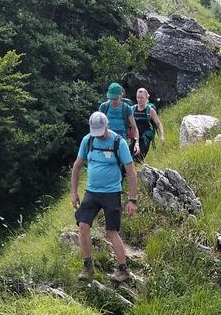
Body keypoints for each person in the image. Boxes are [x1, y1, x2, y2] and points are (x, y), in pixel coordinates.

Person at [71, 110, 137, 284]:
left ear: (107, 126)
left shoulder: (118, 142)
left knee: (111, 231)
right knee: (83, 226)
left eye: (101, 132)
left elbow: (131, 172)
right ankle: (87, 266)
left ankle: (123, 270)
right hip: (91, 192)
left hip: (111, 193)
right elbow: (77, 166)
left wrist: (132, 199)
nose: (99, 136)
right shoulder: (88, 140)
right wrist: (73, 192)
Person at [100, 82, 139, 154]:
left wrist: (136, 144)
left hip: (121, 142)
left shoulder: (127, 109)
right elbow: (98, 125)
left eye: (115, 98)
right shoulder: (104, 107)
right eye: (111, 98)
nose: (113, 101)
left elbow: (134, 128)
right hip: (105, 142)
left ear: (121, 95)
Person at [132, 88, 165, 159]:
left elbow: (158, 123)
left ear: (146, 98)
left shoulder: (150, 110)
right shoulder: (132, 109)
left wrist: (162, 136)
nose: (139, 100)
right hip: (135, 132)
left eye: (142, 98)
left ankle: (139, 161)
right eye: (138, 97)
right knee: (132, 152)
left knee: (141, 150)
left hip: (147, 133)